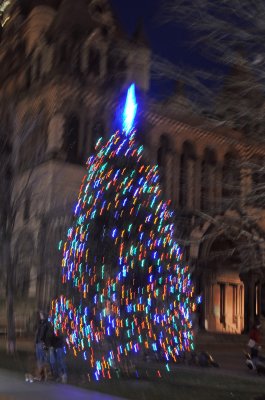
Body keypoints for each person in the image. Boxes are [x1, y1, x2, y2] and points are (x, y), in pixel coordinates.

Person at [35, 310, 49, 380]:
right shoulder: (41, 323)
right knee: (39, 359)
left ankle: (41, 375)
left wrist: (44, 342)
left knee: (41, 359)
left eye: (41, 314)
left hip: (41, 343)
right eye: (40, 314)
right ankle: (41, 375)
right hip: (38, 342)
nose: (40, 316)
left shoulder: (46, 324)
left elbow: (45, 335)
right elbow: (38, 333)